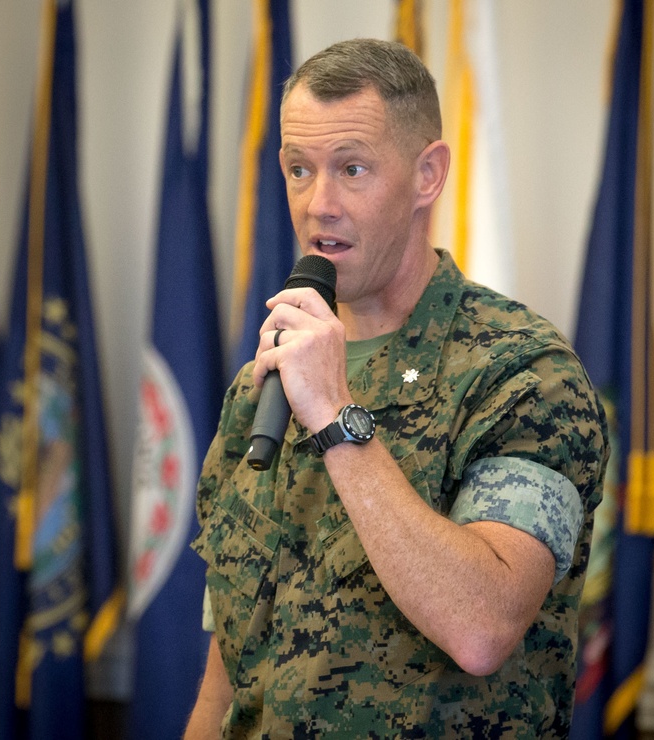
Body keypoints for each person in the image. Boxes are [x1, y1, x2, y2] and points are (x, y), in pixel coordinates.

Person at [184, 38, 608, 738]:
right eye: (298, 169)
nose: (319, 204)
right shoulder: (262, 386)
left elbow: (482, 626)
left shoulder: (521, 373)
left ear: (427, 175)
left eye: (352, 169)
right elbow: (228, 671)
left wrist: (335, 416)